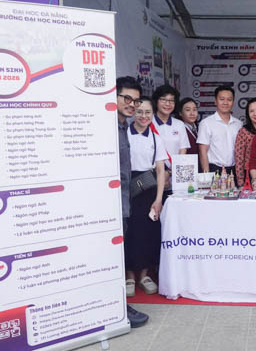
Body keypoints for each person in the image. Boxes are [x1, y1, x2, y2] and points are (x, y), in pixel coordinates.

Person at [125, 96, 168, 297]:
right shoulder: (124, 134)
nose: (143, 116)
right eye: (140, 111)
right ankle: (129, 276)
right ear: (133, 112)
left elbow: (160, 171)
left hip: (149, 188)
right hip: (127, 187)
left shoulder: (156, 138)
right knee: (129, 232)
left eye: (147, 112)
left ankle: (144, 275)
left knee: (148, 232)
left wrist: (158, 199)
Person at [115, 76, 149, 328]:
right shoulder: (105, 128)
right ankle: (116, 309)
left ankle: (118, 307)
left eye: (136, 100)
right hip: (109, 206)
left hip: (123, 203)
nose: (132, 104)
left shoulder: (123, 126)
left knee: (118, 255)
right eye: (127, 98)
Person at [197, 85, 242, 181]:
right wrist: (207, 177)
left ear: (233, 102)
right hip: (214, 169)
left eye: (229, 99)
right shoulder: (206, 123)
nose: (225, 102)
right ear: (215, 101)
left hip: (235, 170)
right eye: (222, 99)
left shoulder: (238, 124)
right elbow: (203, 152)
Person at [151, 84, 190, 191]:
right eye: (163, 100)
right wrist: (160, 173)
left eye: (171, 100)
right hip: (152, 176)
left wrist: (169, 173)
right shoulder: (148, 122)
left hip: (174, 176)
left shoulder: (179, 124)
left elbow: (183, 150)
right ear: (156, 101)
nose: (168, 104)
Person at [234, 98, 256, 187]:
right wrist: (241, 182)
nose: (255, 114)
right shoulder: (244, 132)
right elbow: (239, 158)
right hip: (248, 174)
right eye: (251, 111)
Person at [178, 97, 200, 170]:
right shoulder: (179, 129)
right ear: (180, 113)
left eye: (194, 110)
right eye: (188, 110)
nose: (192, 113)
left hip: (199, 167)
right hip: (186, 169)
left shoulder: (199, 128)